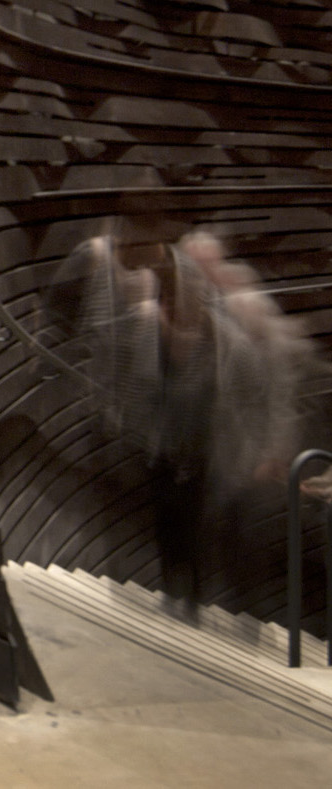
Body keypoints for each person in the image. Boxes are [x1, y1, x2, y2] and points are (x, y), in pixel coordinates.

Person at [49, 217, 311, 608]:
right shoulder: (146, 325)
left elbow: (263, 390)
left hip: (216, 454)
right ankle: (180, 601)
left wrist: (266, 447)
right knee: (172, 530)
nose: (191, 287)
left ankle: (214, 609)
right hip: (164, 451)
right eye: (184, 279)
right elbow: (119, 369)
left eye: (197, 279)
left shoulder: (230, 336)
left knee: (220, 538)